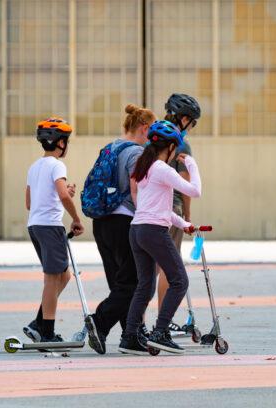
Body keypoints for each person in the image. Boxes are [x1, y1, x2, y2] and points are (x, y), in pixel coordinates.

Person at [118, 120, 201, 355]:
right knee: (180, 281)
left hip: (137, 230)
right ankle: (160, 333)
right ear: (172, 148)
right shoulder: (163, 169)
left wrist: (183, 223)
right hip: (153, 232)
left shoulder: (145, 169)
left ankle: (130, 337)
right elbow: (195, 191)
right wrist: (192, 164)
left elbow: (157, 208)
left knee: (144, 286)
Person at [88, 104, 156, 354]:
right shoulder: (137, 153)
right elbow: (137, 190)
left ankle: (131, 335)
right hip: (124, 221)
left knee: (120, 282)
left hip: (101, 222)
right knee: (136, 282)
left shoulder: (110, 147)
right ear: (145, 128)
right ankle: (99, 322)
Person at [22, 117, 86, 344]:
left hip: (35, 226)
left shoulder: (35, 166)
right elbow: (61, 195)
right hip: (50, 226)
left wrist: (62, 193)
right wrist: (76, 218)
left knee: (64, 275)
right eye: (66, 141)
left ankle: (38, 323)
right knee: (52, 279)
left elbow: (30, 202)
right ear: (60, 143)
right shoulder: (58, 165)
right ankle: (47, 332)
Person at [157, 93, 201, 333]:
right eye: (192, 123)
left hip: (148, 209)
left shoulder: (152, 137)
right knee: (169, 265)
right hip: (171, 207)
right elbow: (185, 183)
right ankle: (164, 322)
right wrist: (187, 216)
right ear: (184, 119)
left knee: (148, 269)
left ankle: (139, 325)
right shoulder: (180, 143)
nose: (191, 128)